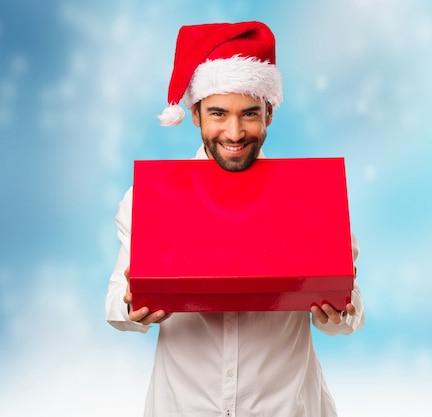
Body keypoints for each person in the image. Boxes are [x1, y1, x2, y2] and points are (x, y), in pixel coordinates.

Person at [105, 21, 365, 417]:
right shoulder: (147, 199)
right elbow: (114, 308)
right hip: (184, 407)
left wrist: (339, 312)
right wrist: (133, 309)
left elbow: (349, 317)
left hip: (286, 407)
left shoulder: (312, 200)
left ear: (269, 114)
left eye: (249, 114)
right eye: (218, 113)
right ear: (195, 114)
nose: (235, 131)